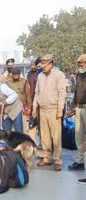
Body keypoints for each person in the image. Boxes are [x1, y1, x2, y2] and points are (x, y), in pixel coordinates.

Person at [33, 54, 66, 171]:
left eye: (45, 65)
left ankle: (57, 160)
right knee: (44, 136)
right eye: (42, 65)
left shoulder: (59, 75)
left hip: (54, 109)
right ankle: (46, 158)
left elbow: (62, 93)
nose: (42, 67)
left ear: (51, 64)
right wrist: (34, 107)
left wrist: (60, 109)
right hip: (42, 110)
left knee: (56, 137)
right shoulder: (40, 76)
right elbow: (37, 92)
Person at [67, 55, 86, 183]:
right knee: (78, 137)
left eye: (82, 63)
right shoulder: (79, 76)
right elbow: (76, 93)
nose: (80, 66)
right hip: (79, 108)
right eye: (79, 64)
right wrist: (72, 108)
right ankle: (79, 162)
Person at [7, 67, 32, 136]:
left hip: (21, 107)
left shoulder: (24, 82)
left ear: (19, 74)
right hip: (11, 107)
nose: (16, 75)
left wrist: (29, 107)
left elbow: (28, 95)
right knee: (10, 130)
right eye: (14, 74)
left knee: (20, 128)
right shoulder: (8, 82)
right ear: (12, 74)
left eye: (17, 74)